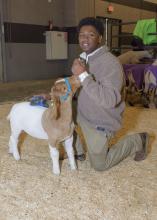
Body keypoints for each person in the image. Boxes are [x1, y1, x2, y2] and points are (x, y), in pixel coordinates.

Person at [71, 17, 150, 171]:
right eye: (82, 35)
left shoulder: (110, 64)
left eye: (91, 35)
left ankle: (139, 140)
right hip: (83, 112)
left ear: (100, 38)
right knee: (55, 111)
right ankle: (78, 151)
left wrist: (83, 75)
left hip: (99, 120)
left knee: (100, 165)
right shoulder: (82, 58)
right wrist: (51, 95)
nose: (85, 38)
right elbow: (74, 83)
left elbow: (109, 100)